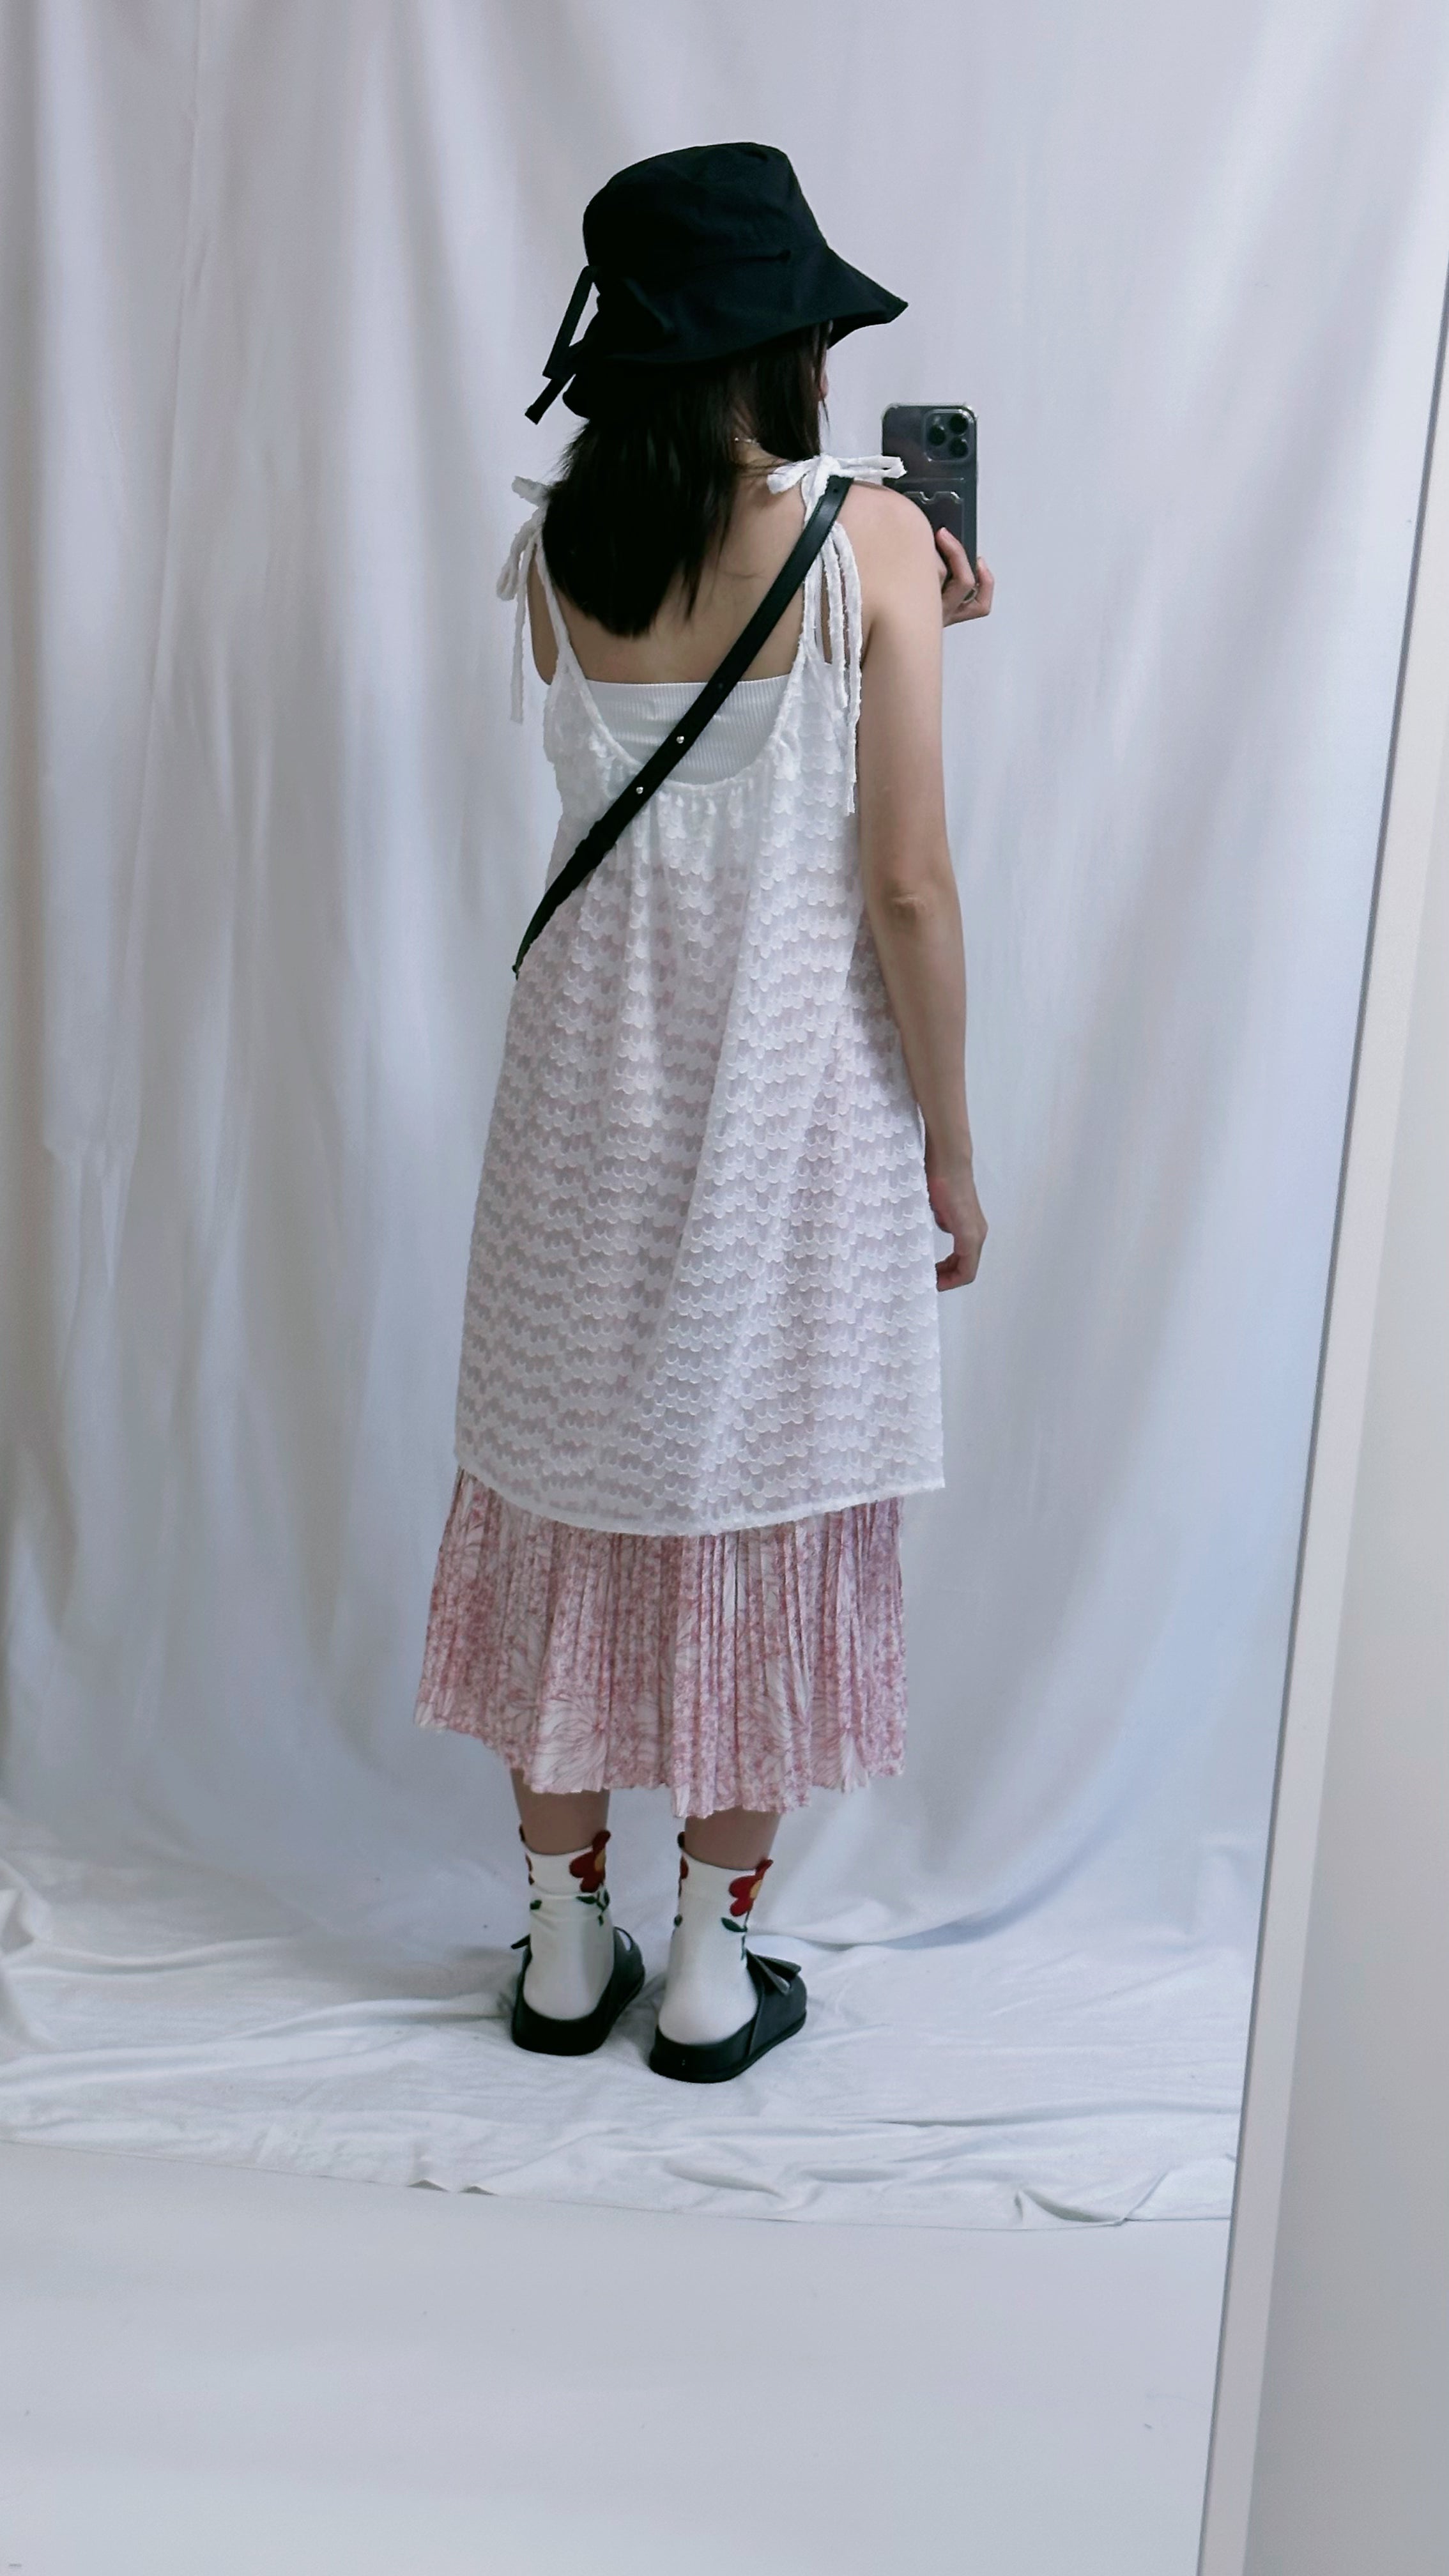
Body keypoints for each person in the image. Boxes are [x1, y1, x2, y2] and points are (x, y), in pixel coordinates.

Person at [414, 141, 990, 2083]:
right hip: (786, 1122)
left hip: (579, 1117)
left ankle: (559, 1940)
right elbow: (903, 883)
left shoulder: (551, 551)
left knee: (566, 1510)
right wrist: (953, 1143)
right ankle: (711, 1970)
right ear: (783, 350)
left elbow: (681, 736)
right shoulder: (872, 540)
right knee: (764, 1510)